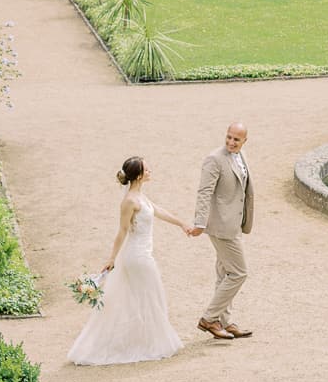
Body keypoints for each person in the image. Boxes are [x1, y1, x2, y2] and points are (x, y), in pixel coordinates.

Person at [67, 155, 191, 366]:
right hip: (137, 257)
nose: (151, 171)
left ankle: (145, 340)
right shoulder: (129, 202)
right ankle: (149, 343)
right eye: (147, 169)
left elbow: (157, 210)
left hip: (144, 255)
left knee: (148, 298)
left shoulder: (141, 196)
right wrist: (112, 258)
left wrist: (181, 224)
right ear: (139, 175)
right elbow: (122, 231)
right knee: (149, 298)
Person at [192, 121, 254, 341]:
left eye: (236, 139)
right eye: (228, 137)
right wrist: (199, 222)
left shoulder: (241, 155)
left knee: (224, 273)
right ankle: (209, 318)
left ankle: (225, 322)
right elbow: (204, 192)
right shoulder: (214, 159)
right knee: (239, 273)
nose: (231, 142)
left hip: (234, 224)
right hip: (221, 227)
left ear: (244, 140)